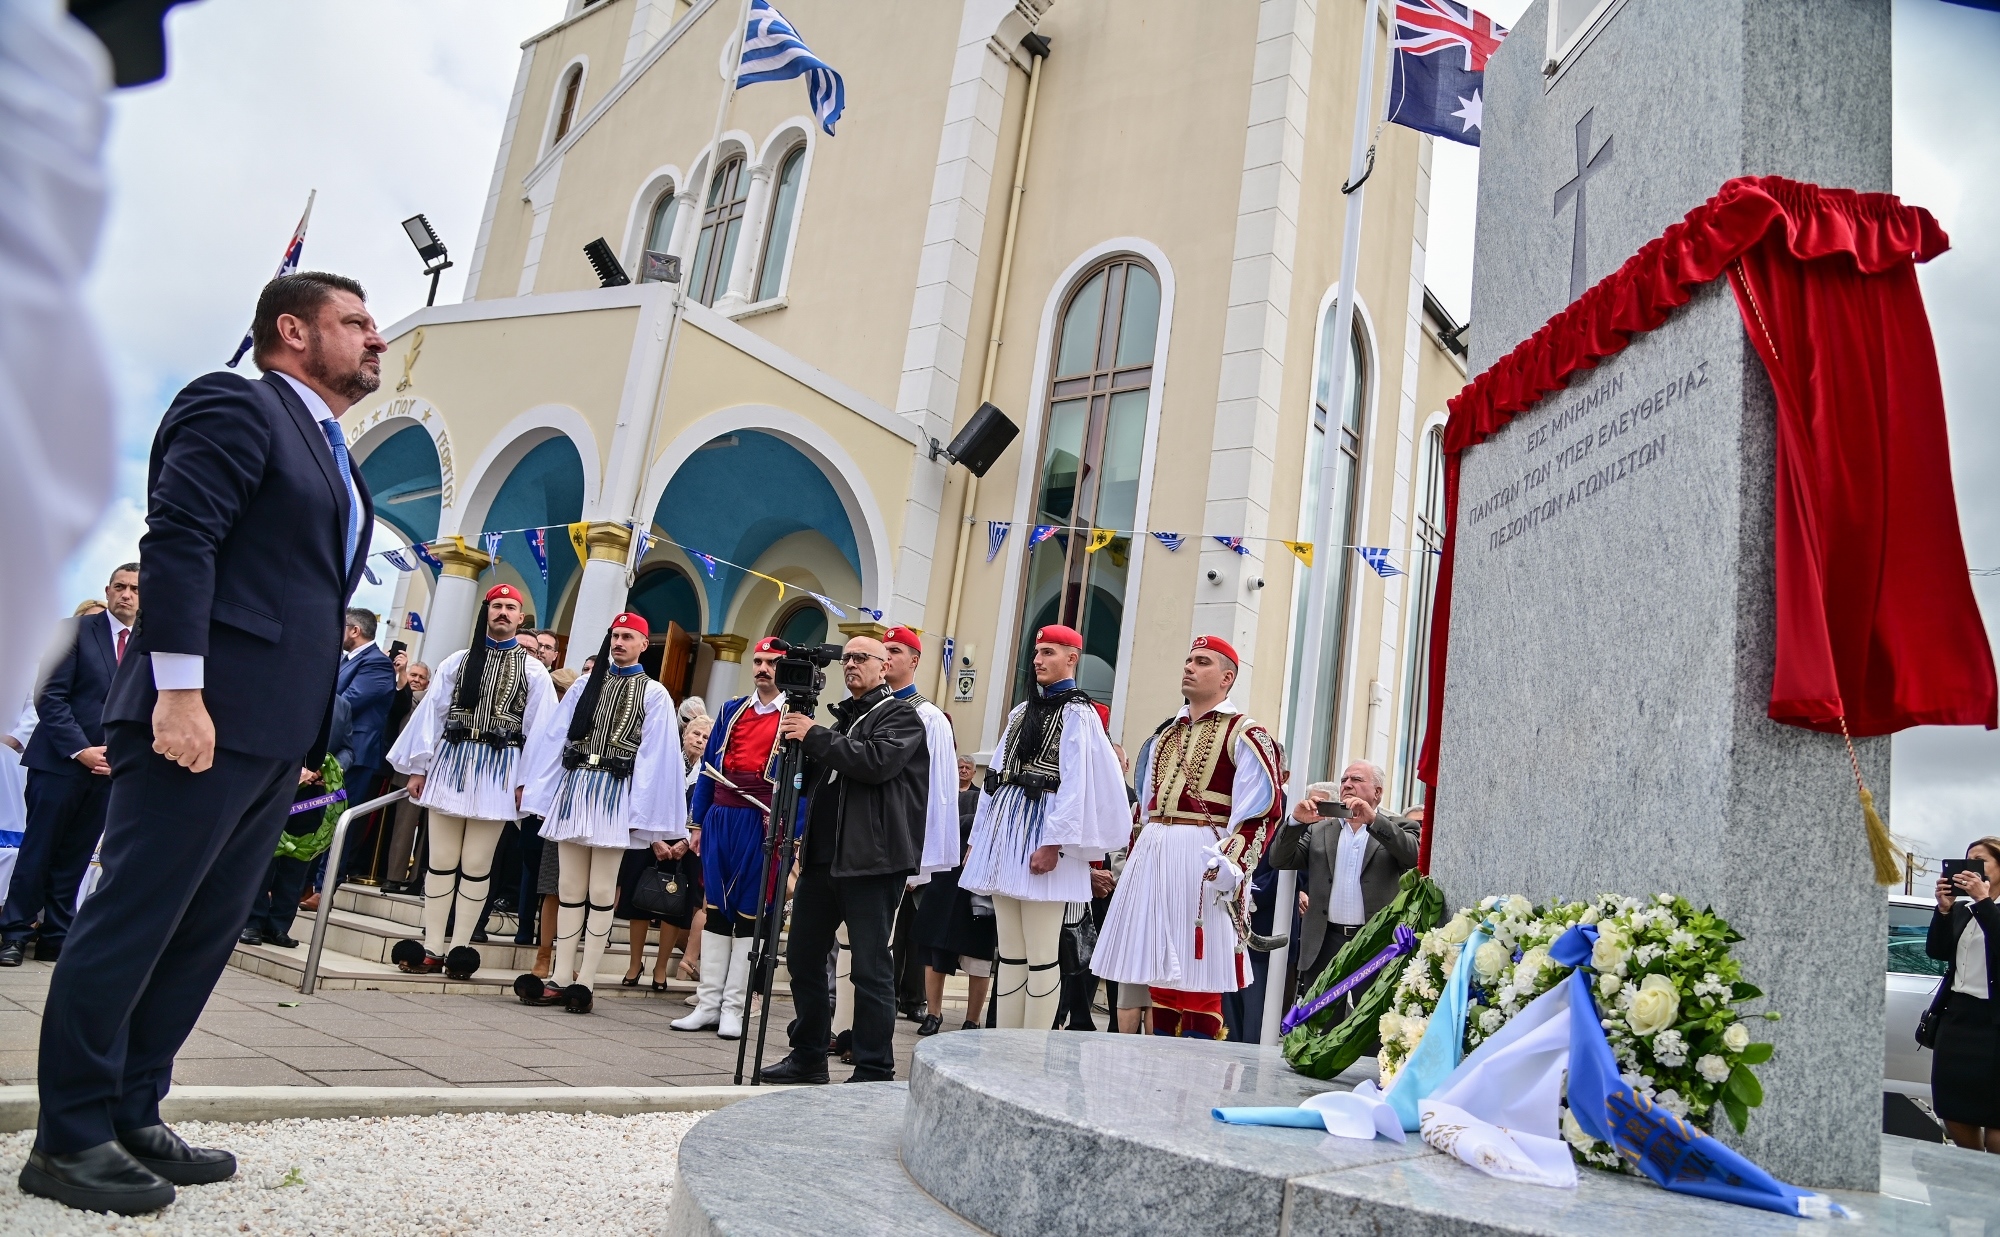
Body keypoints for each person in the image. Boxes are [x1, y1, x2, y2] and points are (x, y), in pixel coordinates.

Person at [26, 271, 380, 1215]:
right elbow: (182, 538)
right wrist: (179, 692)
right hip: (199, 715)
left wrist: (305, 735)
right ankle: (69, 1136)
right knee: (135, 917)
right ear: (292, 330)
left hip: (272, 735)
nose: (375, 338)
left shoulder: (337, 455)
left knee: (201, 933)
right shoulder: (237, 403)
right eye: (355, 321)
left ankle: (133, 1108)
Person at [1093, 636, 1285, 1040]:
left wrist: (1232, 864)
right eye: (1188, 660)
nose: (1189, 667)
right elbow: (1144, 808)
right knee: (1158, 969)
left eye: (1202, 662)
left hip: (1202, 857)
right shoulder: (1165, 735)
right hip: (1154, 853)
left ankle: (1197, 1062)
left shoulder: (1245, 733)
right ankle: (1159, 1057)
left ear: (1227, 678)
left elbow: (1260, 812)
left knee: (1200, 972)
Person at [759, 636, 929, 1084]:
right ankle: (809, 1056)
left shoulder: (901, 715)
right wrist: (797, 750)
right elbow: (815, 782)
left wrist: (814, 735)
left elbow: (875, 763)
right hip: (822, 859)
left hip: (873, 861)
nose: (851, 664)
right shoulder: (840, 720)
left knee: (870, 967)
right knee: (803, 958)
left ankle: (874, 1067)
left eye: (861, 657)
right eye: (847, 658)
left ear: (884, 666)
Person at [512, 614, 685, 1013]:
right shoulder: (584, 685)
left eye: (628, 636)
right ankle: (561, 976)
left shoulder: (654, 693)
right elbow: (556, 738)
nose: (619, 642)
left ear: (644, 644)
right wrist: (542, 791)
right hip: (576, 787)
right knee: (569, 887)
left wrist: (639, 814)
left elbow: (655, 757)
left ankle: (586, 980)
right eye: (615, 636)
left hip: (615, 793)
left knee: (603, 890)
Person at [384, 582, 553, 980]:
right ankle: (432, 946)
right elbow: (433, 715)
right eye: (497, 606)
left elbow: (541, 731)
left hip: (499, 770)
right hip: (451, 762)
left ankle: (460, 947)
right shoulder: (457, 661)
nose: (503, 612)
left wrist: (526, 783)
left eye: (510, 607)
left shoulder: (534, 671)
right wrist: (419, 767)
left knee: (477, 864)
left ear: (520, 617)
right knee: (441, 861)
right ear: (486, 611)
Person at [962, 625, 1127, 1031]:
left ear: (1072, 658)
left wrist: (1054, 842)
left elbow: (1076, 784)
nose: (1038, 660)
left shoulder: (1080, 714)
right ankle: (1006, 1042)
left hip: (1043, 832)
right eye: (1037, 652)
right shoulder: (1020, 712)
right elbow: (995, 776)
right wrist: (978, 840)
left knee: (1041, 954)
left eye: (1049, 652)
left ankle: (1032, 1049)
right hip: (1006, 832)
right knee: (1010, 953)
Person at [828, 626, 958, 1054]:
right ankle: (842, 1028)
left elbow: (934, 796)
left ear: (913, 661)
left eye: (895, 650)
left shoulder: (928, 716)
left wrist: (920, 860)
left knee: (874, 946)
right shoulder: (857, 710)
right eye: (881, 650)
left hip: (890, 849)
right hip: (849, 845)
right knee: (847, 940)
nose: (886, 656)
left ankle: (865, 1038)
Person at [0, 563, 135, 967]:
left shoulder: (151, 643)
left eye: (135, 589)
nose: (126, 594)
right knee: (38, 851)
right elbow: (50, 696)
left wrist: (121, 756)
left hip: (110, 769)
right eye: (120, 587)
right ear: (107, 591)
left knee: (77, 855)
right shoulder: (74, 631)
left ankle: (56, 936)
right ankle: (14, 932)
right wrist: (81, 749)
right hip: (60, 762)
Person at [674, 637, 792, 1038]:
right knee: (715, 909)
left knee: (748, 913)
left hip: (762, 822)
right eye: (758, 661)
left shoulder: (795, 716)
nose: (762, 668)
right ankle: (707, 1004)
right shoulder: (730, 709)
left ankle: (734, 1008)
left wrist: (791, 833)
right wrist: (697, 823)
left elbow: (800, 785)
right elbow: (709, 768)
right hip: (722, 817)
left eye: (771, 662)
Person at [1267, 761, 1422, 1003]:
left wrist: (1373, 821)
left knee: (1369, 1023)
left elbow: (1413, 857)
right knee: (1321, 1019)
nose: (1347, 784)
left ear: (1377, 792)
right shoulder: (1320, 830)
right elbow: (1280, 859)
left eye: (1356, 780)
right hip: (1325, 942)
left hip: (1375, 943)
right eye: (1344, 780)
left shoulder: (1399, 827)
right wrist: (1296, 822)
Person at [1926, 838, 2000, 1152]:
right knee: (1953, 1108)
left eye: (1980, 860)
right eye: (1968, 860)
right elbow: (1937, 951)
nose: (1971, 867)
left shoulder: (1982, 907)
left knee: (1997, 1118)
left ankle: (1991, 1176)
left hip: (1994, 1023)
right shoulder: (1962, 909)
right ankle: (1970, 1166)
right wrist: (1943, 911)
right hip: (1958, 1018)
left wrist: (1984, 901)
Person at [915, 754, 996, 1035]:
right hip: (943, 882)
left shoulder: (985, 798)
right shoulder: (940, 797)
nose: (961, 771)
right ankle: (933, 1014)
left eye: (966, 768)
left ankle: (972, 1021)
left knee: (978, 958)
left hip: (977, 886)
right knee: (934, 952)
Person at [323, 607, 394, 889]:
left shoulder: (377, 664)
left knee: (339, 820)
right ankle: (309, 883)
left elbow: (348, 701)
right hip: (332, 749)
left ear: (355, 630)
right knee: (319, 818)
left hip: (356, 753)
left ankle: (326, 885)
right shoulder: (345, 660)